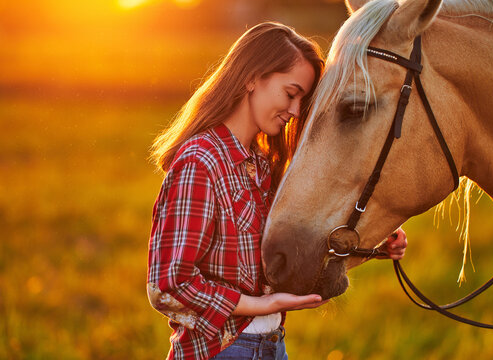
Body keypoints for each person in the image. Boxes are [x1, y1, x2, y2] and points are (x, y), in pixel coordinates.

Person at [147, 22, 408, 360]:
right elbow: (170, 283)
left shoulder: (264, 166)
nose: (296, 111)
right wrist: (261, 304)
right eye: (291, 93)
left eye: (302, 99)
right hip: (221, 351)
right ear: (252, 78)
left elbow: (289, 241)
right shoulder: (201, 162)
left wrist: (376, 240)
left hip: (271, 346)